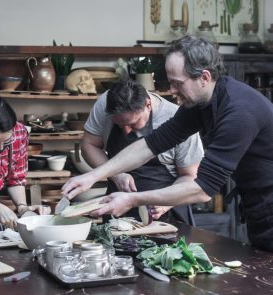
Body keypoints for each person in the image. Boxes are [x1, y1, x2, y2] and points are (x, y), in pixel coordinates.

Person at [62, 35, 273, 252]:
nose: (171, 91)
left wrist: (132, 200)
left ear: (204, 77)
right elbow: (149, 145)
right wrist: (93, 175)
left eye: (177, 83)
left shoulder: (239, 113)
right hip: (256, 203)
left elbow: (202, 189)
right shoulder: (199, 104)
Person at [81, 79, 204, 224]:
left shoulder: (178, 119)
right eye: (119, 124)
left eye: (132, 123)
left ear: (148, 105)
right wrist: (115, 174)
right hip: (117, 213)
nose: (126, 131)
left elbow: (191, 177)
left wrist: (166, 202)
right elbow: (88, 145)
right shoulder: (106, 104)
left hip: (165, 216)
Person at [0, 97, 50, 233]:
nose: (1, 147)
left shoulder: (19, 133)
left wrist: (23, 208)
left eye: (7, 141)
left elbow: (16, 179)